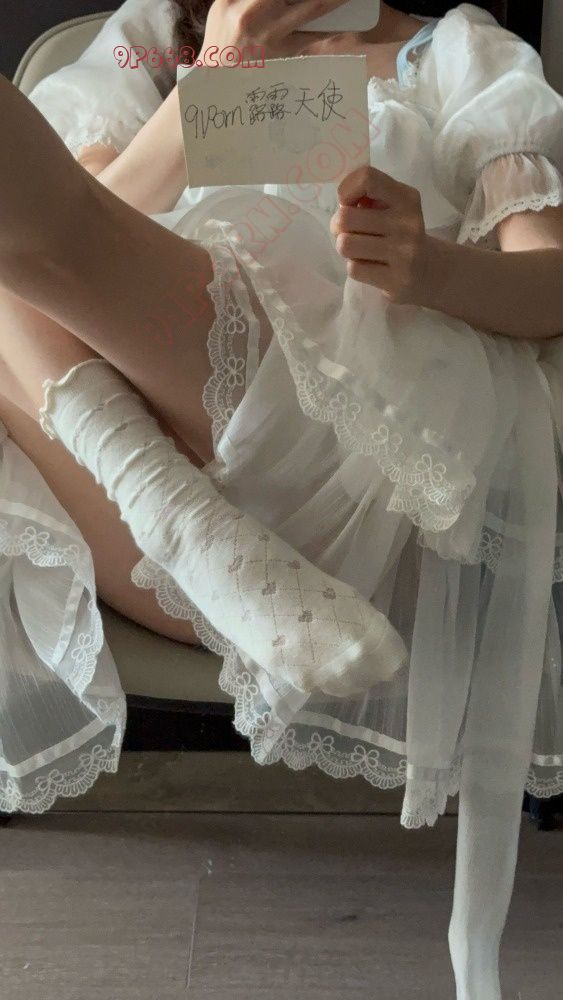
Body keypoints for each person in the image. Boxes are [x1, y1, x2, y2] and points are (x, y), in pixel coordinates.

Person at [0, 1, 562, 996]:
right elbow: (55, 248)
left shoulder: (455, 51)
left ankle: (185, 518)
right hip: (152, 524)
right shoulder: (151, 39)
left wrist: (429, 266)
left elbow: (548, 286)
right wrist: (210, 80)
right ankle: (187, 522)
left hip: (351, 465)